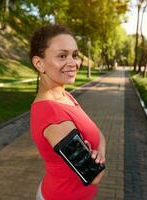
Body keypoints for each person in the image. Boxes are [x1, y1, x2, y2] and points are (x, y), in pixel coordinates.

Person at [29, 24, 106, 200]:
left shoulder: (65, 96)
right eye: (62, 56)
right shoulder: (52, 115)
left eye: (75, 55)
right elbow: (94, 175)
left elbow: (99, 133)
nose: (73, 63)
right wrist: (98, 155)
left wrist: (98, 152)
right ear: (39, 63)